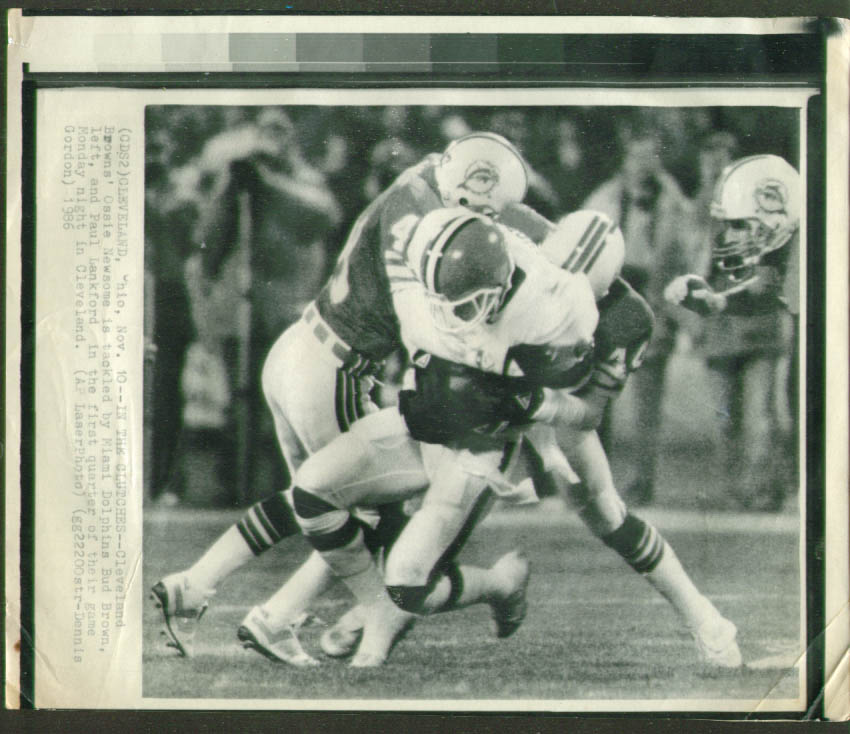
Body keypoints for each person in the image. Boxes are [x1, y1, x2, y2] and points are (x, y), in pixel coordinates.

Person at [271, 208, 740, 668]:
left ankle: (707, 621)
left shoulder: (617, 319)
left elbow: (588, 413)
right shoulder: (511, 271)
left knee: (606, 514)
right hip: (488, 399)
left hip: (542, 407)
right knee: (409, 514)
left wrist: (538, 417)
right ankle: (382, 610)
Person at [151, 132, 554, 663]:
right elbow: (421, 330)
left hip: (302, 348)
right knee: (360, 508)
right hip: (337, 369)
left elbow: (507, 216)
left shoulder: (430, 178)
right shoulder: (420, 217)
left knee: (313, 500)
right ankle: (283, 616)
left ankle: (194, 585)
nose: (482, 218)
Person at [665, 153, 801, 510]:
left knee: (761, 415)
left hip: (761, 327)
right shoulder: (701, 219)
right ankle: (730, 489)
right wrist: (693, 315)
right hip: (722, 330)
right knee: (724, 416)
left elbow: (776, 275)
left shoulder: (771, 214)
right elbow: (688, 270)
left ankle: (761, 490)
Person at [582, 122, 695, 505]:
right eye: (637, 156)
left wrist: (674, 311)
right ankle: (599, 482)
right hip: (609, 304)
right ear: (626, 160)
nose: (644, 165)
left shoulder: (676, 205)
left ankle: (641, 482)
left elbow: (686, 261)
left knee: (648, 403)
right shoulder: (603, 200)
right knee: (599, 400)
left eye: (651, 157)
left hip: (652, 305)